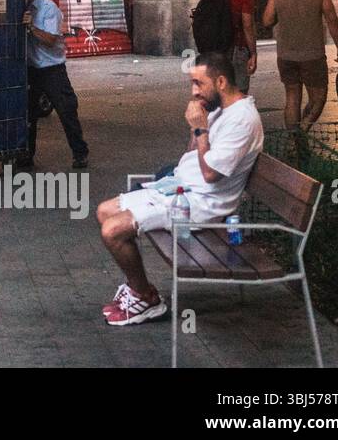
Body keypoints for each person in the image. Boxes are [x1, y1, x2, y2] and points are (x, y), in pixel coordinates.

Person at [95, 52, 263, 326]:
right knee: (104, 211)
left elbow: (210, 174)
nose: (194, 92)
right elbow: (191, 155)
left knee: (112, 231)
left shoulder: (243, 119)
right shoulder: (220, 108)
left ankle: (145, 299)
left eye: (199, 83)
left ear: (220, 82)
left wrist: (200, 130)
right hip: (178, 188)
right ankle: (141, 291)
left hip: (200, 204)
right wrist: (196, 127)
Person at [263, 0, 338, 131]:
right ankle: (304, 128)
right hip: (312, 56)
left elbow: (267, 20)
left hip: (286, 55)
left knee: (292, 98)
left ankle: (295, 140)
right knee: (318, 99)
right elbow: (332, 20)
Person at [22, 0, 89, 169]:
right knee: (28, 115)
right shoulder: (20, 7)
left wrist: (32, 27)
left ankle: (80, 153)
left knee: (66, 111)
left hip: (52, 70)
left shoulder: (48, 8)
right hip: (31, 70)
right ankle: (26, 157)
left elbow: (51, 40)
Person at [209, 0, 257, 93]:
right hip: (237, 46)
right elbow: (247, 25)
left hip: (214, 48)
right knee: (239, 94)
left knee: (219, 93)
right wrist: (253, 53)